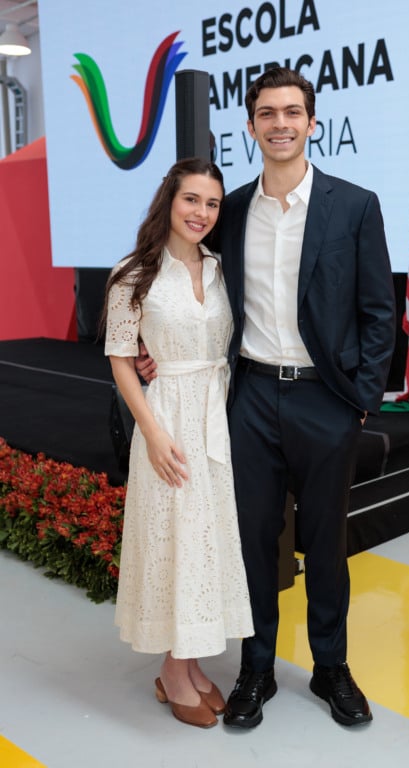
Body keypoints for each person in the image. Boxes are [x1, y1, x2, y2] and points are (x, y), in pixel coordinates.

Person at [137, 67, 396, 729]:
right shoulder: (234, 210)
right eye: (266, 113)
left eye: (291, 112)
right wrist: (154, 347)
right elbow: (187, 279)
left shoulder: (354, 205)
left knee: (325, 544)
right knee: (252, 542)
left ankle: (331, 668)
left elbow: (378, 311)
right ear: (251, 126)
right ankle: (256, 670)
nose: (279, 123)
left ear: (312, 122)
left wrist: (358, 399)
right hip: (249, 397)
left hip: (326, 402)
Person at [102, 157, 254, 730]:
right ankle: (173, 668)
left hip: (216, 415)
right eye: (192, 199)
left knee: (206, 539)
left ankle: (185, 666)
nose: (202, 213)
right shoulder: (133, 273)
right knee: (176, 541)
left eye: (212, 203)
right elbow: (121, 359)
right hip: (165, 421)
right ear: (170, 199)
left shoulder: (219, 269)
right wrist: (153, 431)